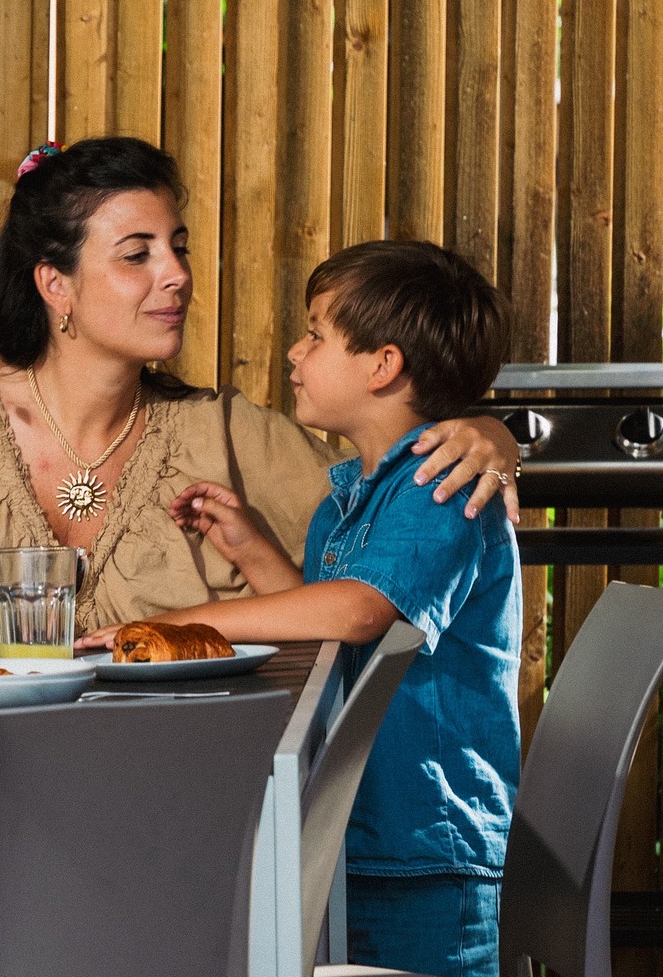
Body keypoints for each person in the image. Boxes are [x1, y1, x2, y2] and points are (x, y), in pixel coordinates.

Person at [0, 137, 522, 628]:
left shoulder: (225, 435)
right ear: (54, 283)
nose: (176, 274)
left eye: (177, 247)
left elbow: (400, 492)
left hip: (173, 803)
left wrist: (492, 435)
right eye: (137, 253)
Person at [150, 239, 520, 977]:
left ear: (383, 365)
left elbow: (359, 613)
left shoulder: (441, 487)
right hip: (367, 839)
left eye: (316, 334)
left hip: (425, 847)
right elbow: (331, 628)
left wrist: (179, 622)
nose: (294, 351)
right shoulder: (349, 500)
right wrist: (252, 549)